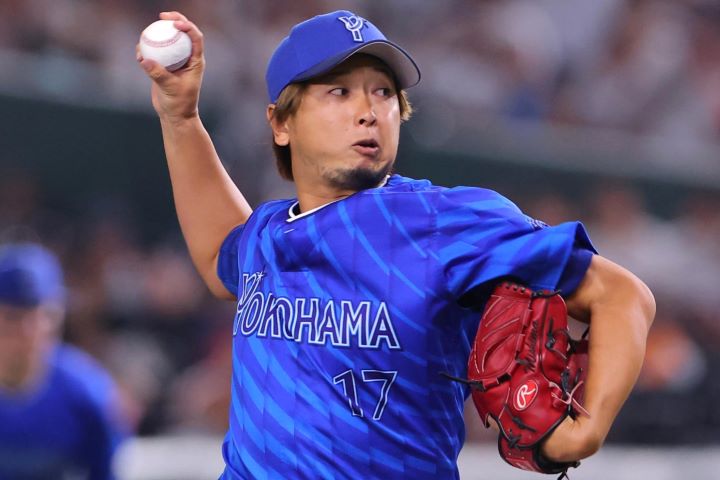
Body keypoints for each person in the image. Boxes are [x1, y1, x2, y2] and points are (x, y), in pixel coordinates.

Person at [137, 10, 655, 479]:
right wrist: (180, 117)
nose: (369, 111)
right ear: (281, 122)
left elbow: (620, 295)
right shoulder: (269, 231)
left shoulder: (443, 220)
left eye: (383, 92)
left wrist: (585, 431)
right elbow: (218, 254)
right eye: (339, 92)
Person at [0, 242, 128, 480]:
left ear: (57, 315)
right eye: (11, 317)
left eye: (36, 316)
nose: (25, 331)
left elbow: (106, 471)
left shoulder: (87, 393)